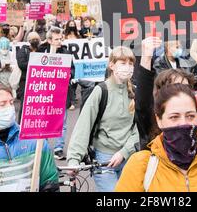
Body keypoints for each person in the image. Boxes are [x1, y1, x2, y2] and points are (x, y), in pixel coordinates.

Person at [66, 46, 139, 192]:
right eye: (123, 63)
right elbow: (84, 125)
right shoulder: (101, 91)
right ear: (112, 65)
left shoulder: (135, 92)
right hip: (103, 159)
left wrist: (124, 152)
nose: (128, 68)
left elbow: (139, 128)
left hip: (130, 157)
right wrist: (74, 159)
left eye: (131, 64)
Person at [135, 36, 195, 149]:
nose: (182, 91)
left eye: (185, 87)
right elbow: (143, 101)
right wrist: (146, 57)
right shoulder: (153, 116)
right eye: (176, 86)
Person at [37, 27, 70, 160]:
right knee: (44, 120)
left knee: (61, 122)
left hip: (61, 93)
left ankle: (58, 148)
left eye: (61, 38)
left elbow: (71, 70)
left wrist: (64, 76)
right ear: (49, 40)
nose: (60, 42)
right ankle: (43, 146)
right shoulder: (40, 52)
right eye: (57, 39)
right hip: (44, 92)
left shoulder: (66, 53)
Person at [16, 32, 40, 122]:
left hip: (37, 82)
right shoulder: (23, 50)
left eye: (36, 39)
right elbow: (21, 64)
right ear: (28, 41)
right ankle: (21, 124)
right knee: (24, 104)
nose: (35, 41)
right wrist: (34, 63)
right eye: (33, 39)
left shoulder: (40, 50)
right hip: (25, 81)